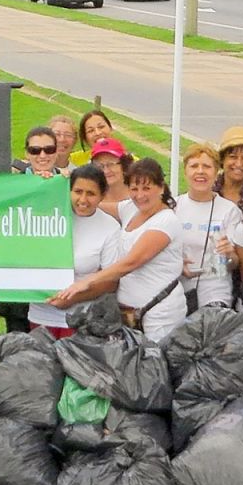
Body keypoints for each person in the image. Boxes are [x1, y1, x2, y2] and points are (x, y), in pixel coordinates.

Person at [50, 158, 187, 343]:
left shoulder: (166, 221)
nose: (140, 195)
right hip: (128, 312)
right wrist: (62, 185)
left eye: (146, 188)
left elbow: (131, 262)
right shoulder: (130, 208)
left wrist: (87, 282)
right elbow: (91, 203)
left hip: (159, 313)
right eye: (134, 188)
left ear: (161, 187)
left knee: (156, 367)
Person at [29, 165, 119, 338]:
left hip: (80, 320)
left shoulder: (109, 227)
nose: (83, 199)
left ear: (102, 195)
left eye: (91, 193)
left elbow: (110, 282)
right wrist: (42, 183)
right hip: (40, 316)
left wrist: (73, 298)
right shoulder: (47, 213)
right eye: (78, 191)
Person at [174, 144, 243, 312]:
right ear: (185, 172)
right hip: (177, 288)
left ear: (216, 173)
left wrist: (229, 254)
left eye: (206, 166)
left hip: (215, 290)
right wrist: (177, 265)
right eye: (194, 166)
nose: (200, 171)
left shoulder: (230, 211)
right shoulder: (173, 207)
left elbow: (235, 263)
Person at [90, 137, 133, 216]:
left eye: (111, 164)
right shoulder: (91, 197)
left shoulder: (138, 196)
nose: (105, 171)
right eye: (99, 166)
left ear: (124, 164)